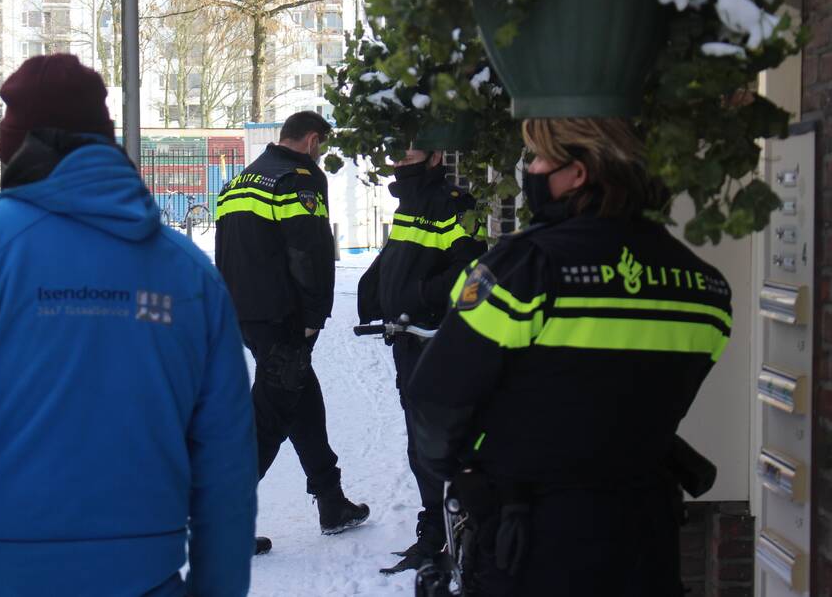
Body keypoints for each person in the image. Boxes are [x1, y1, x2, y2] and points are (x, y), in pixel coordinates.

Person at [0, 54, 258, 597]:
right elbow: (227, 466)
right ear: (104, 142)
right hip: (143, 578)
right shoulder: (187, 275)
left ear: (17, 147)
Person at [407, 118, 732, 597]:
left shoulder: (525, 268)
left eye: (538, 159)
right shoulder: (705, 288)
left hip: (532, 540)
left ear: (577, 173)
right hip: (646, 538)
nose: (531, 170)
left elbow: (435, 400)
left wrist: (466, 472)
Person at [215, 111, 369, 554]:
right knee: (266, 421)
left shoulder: (238, 183)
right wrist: (315, 313)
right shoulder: (297, 179)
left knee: (302, 399)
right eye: (321, 146)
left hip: (250, 317)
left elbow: (227, 255)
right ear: (313, 140)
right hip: (285, 319)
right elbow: (310, 252)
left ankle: (332, 501)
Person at [357, 146, 486, 574]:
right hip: (408, 339)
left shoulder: (451, 206)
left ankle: (450, 536)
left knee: (436, 445)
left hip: (434, 343)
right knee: (418, 444)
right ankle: (432, 531)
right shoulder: (411, 204)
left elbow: (474, 272)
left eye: (407, 152)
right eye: (393, 153)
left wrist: (418, 298)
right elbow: (401, 257)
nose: (397, 160)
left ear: (433, 157)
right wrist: (374, 288)